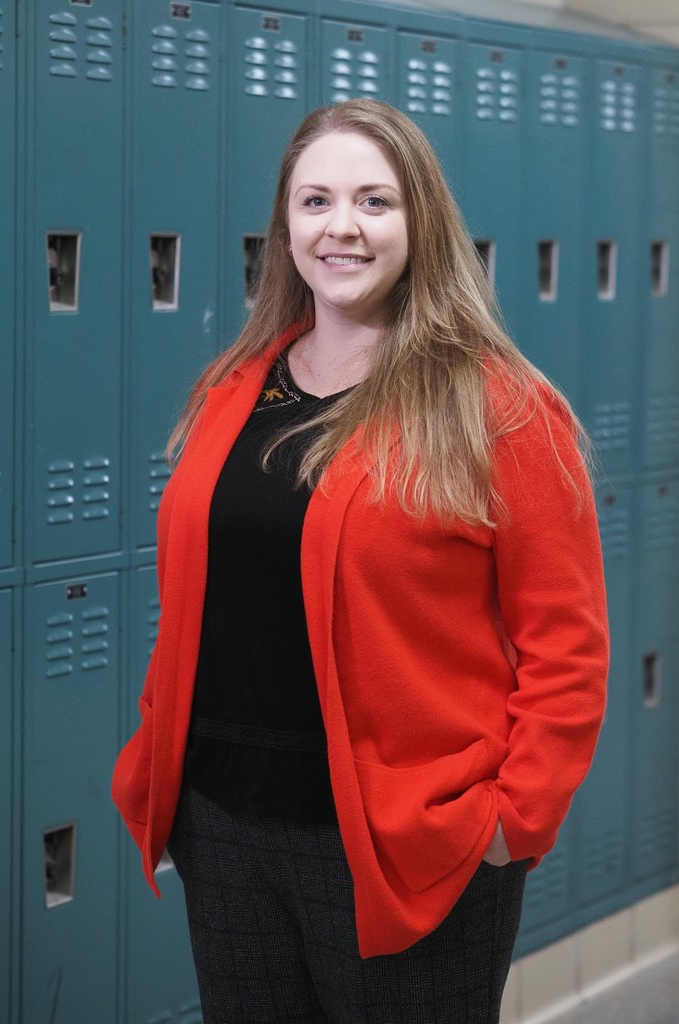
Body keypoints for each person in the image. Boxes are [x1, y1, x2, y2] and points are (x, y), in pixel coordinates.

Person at [113, 99, 609, 1023]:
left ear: (420, 222)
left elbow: (566, 647)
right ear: (286, 225)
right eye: (315, 202)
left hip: (405, 840)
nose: (341, 228)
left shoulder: (494, 407)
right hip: (223, 823)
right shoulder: (237, 387)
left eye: (374, 202)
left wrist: (509, 824)